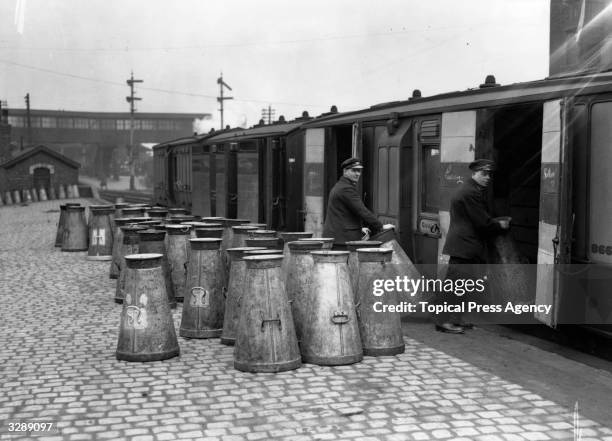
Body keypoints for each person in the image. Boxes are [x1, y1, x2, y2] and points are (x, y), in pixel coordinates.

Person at [435, 158, 509, 334]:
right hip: (463, 247)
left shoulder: (471, 190)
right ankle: (443, 322)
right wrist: (500, 225)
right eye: (484, 174)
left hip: (465, 246)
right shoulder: (470, 193)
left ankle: (456, 319)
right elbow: (482, 223)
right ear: (474, 173)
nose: (487, 177)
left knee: (463, 286)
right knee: (454, 287)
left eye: (489, 174)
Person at [323, 157, 394, 248]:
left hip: (338, 237)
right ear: (345, 171)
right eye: (354, 171)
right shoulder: (346, 189)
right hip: (343, 240)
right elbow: (361, 210)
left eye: (359, 171)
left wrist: (360, 228)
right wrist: (381, 226)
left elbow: (343, 214)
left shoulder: (342, 186)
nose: (357, 174)